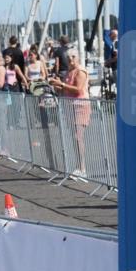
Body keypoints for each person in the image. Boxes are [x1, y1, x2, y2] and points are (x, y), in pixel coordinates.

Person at [49, 48, 91, 177]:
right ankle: (78, 166)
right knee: (74, 138)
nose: (71, 60)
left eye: (73, 57)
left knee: (78, 137)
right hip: (69, 106)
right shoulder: (69, 72)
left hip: (80, 106)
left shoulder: (80, 71)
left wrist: (61, 84)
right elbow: (64, 91)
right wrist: (56, 87)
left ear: (78, 57)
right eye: (68, 58)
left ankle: (82, 168)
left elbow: (78, 90)